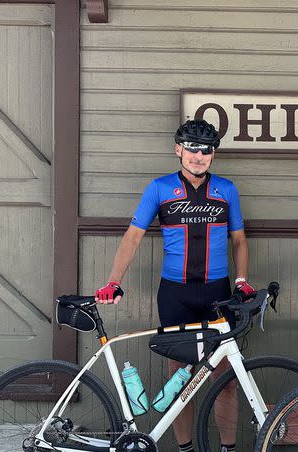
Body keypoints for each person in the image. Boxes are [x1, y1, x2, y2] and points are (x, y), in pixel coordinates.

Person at [95, 118, 253, 452]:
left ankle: (228, 448)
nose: (199, 155)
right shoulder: (160, 188)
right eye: (192, 148)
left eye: (206, 150)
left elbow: (238, 239)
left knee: (225, 380)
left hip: (217, 294)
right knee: (179, 380)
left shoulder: (226, 189)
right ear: (178, 149)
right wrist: (113, 281)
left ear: (214, 154)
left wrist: (242, 281)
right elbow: (133, 237)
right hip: (175, 295)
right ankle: (185, 449)